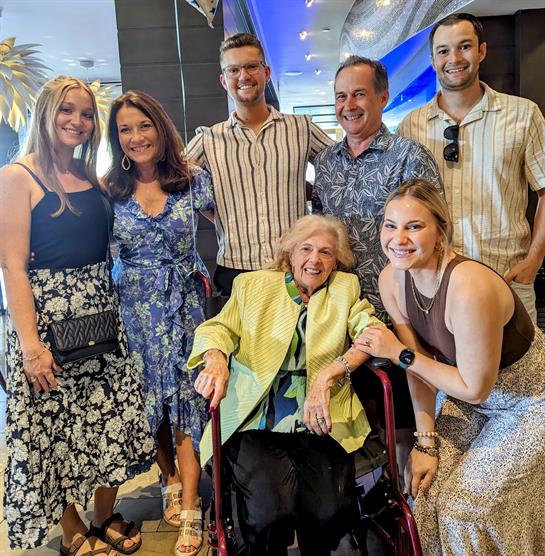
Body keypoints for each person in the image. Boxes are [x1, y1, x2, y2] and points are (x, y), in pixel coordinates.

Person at [0, 76, 155, 555]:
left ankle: (105, 514)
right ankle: (72, 528)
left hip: (102, 315)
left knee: (110, 419)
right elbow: (12, 267)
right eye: (67, 110)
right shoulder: (17, 177)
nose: (78, 121)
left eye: (87, 114)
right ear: (46, 112)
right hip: (46, 323)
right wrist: (31, 346)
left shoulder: (91, 176)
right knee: (53, 430)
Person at [354, 179, 545, 554]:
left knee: (464, 510)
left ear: (440, 231)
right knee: (424, 494)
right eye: (390, 226)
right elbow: (419, 372)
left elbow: (474, 388)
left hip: (529, 403)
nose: (398, 239)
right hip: (467, 397)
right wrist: (425, 442)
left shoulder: (469, 287)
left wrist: (399, 353)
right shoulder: (392, 279)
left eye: (414, 226)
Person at [189, 215, 384, 555]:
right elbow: (218, 328)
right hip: (258, 417)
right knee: (268, 515)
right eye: (306, 249)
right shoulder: (253, 285)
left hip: (322, 418)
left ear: (336, 260)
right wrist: (216, 358)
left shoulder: (345, 289)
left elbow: (372, 334)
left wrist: (330, 374)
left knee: (328, 515)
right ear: (290, 253)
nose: (315, 260)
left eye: (326, 252)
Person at [104, 90, 214, 556]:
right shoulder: (109, 190)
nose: (136, 137)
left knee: (188, 398)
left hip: (184, 305)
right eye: (125, 129)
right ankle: (167, 477)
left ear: (161, 127)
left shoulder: (193, 180)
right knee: (150, 401)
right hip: (133, 311)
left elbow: (233, 227)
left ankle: (191, 502)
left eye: (144, 125)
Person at [398, 12, 545, 322]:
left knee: (521, 355)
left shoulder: (523, 115)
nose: (454, 58)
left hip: (506, 278)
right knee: (442, 356)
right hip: (437, 284)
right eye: (443, 51)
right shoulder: (411, 127)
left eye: (464, 46)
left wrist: (534, 260)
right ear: (433, 60)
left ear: (482, 51)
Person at [186, 32, 333, 296]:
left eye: (251, 66)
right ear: (223, 80)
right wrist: (218, 213)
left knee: (300, 326)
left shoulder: (301, 128)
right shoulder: (208, 139)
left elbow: (343, 165)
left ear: (266, 72)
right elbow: (173, 179)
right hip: (235, 272)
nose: (243, 76)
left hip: (294, 268)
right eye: (233, 70)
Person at [312, 55, 442, 322]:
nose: (349, 105)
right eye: (341, 96)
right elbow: (319, 229)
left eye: (359, 94)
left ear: (382, 98)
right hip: (337, 309)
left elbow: (436, 233)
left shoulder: (410, 156)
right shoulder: (325, 162)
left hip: (399, 310)